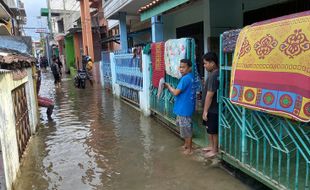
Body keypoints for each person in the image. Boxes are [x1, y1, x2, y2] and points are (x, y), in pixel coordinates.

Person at [165, 59, 196, 155]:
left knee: (186, 129)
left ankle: (189, 149)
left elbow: (175, 92)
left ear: (189, 68)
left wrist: (169, 86)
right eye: (180, 67)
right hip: (185, 107)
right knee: (185, 127)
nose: (181, 69)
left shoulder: (185, 78)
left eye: (183, 67)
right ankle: (186, 145)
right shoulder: (190, 77)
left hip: (184, 108)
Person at [201, 52, 219, 158]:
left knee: (213, 130)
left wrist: (205, 110)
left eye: (205, 63)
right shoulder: (213, 74)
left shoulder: (214, 75)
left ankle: (215, 150)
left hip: (212, 109)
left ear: (212, 63)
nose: (204, 66)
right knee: (209, 129)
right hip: (210, 108)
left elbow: (210, 95)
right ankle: (211, 146)